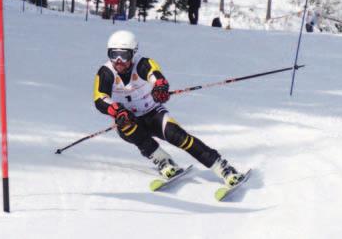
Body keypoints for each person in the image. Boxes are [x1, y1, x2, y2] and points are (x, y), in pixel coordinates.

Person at [93, 30, 245, 186]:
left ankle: (223, 168)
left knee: (179, 137)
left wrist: (160, 88)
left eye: (123, 55)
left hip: (152, 113)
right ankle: (164, 161)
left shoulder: (143, 64)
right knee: (130, 129)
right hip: (128, 119)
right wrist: (117, 110)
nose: (118, 61)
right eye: (113, 54)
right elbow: (100, 98)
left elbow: (156, 77)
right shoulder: (106, 72)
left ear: (133, 53)